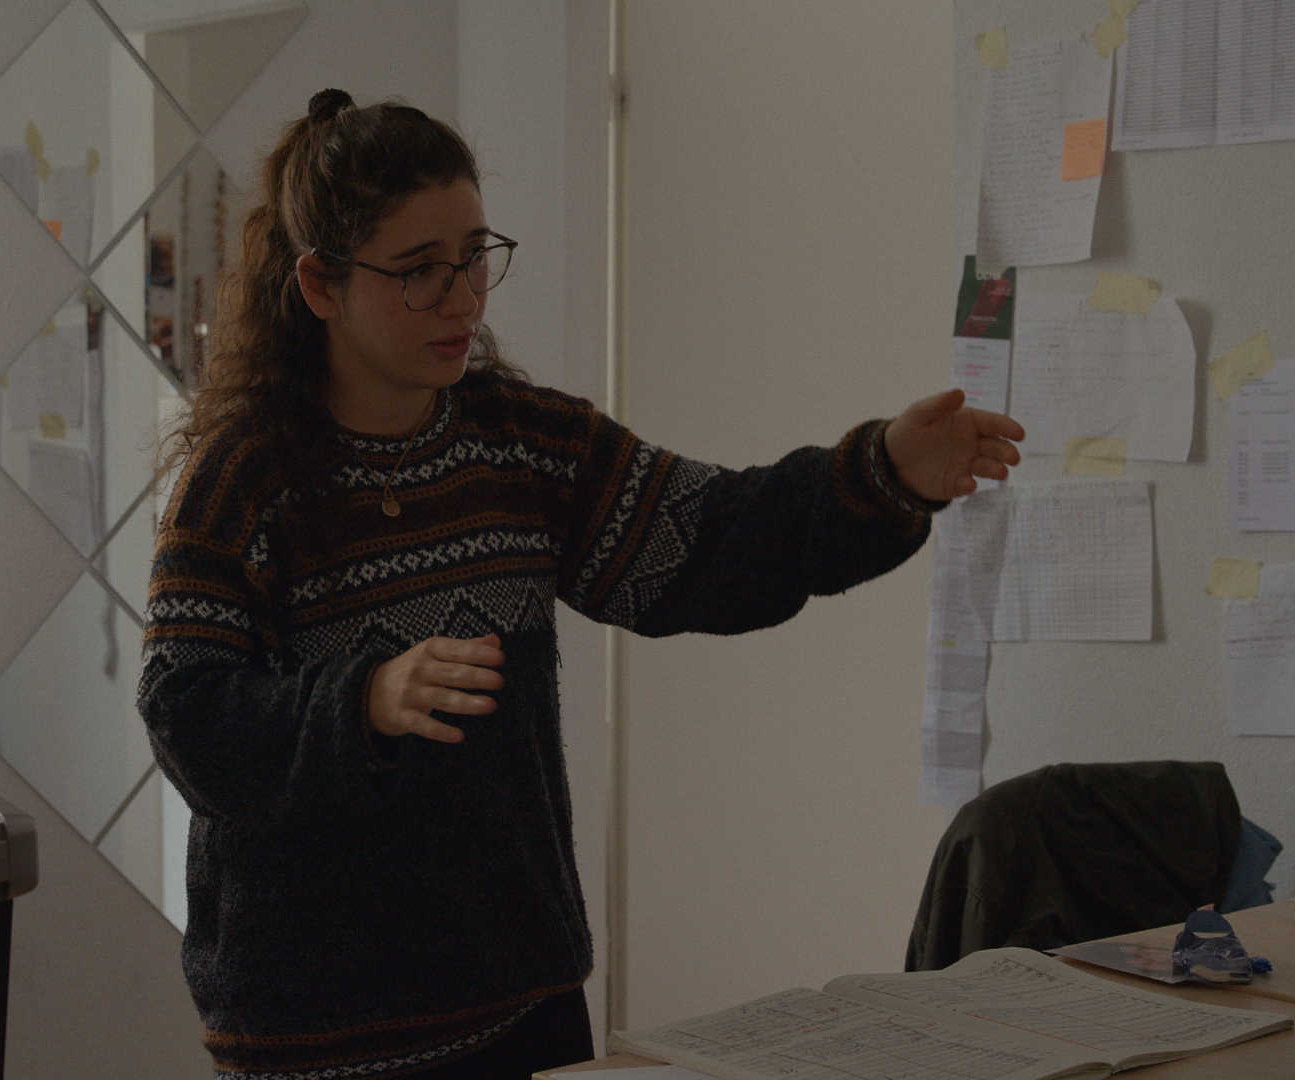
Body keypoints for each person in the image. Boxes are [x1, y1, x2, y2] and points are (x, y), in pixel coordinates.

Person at [138, 88, 1025, 1080]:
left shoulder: (523, 443)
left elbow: (710, 540)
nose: (463, 299)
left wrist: (881, 473)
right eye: (419, 271)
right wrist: (366, 700)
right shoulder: (242, 482)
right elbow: (187, 715)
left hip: (522, 1004)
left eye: (475, 256)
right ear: (319, 284)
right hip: (315, 1036)